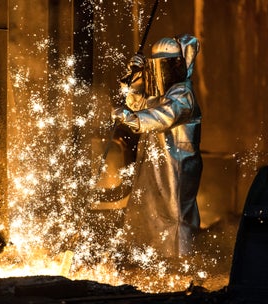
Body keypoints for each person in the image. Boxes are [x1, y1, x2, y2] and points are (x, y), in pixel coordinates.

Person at [111, 34, 202, 259]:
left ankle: (182, 262)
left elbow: (163, 115)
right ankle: (154, 259)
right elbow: (139, 103)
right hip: (160, 163)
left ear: (177, 65)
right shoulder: (163, 94)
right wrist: (134, 77)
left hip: (178, 164)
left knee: (176, 214)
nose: (161, 74)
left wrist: (133, 119)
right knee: (152, 210)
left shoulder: (183, 94)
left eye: (165, 67)